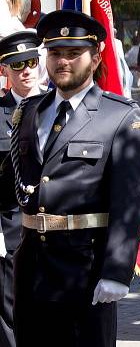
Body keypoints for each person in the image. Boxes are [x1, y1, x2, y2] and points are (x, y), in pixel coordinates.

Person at [0, 10, 140, 347]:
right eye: (54, 53)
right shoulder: (29, 112)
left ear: (95, 58)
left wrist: (117, 271)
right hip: (31, 270)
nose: (62, 61)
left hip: (85, 270)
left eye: (73, 53)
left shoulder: (120, 116)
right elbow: (12, 185)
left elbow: (130, 202)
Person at [0, 30, 44, 347]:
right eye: (18, 65)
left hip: (53, 228)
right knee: (8, 311)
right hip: (10, 227)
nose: (26, 70)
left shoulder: (60, 108)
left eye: (30, 62)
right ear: (5, 70)